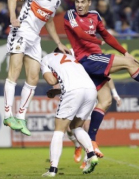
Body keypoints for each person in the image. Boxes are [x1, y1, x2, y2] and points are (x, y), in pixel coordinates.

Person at [64, 0, 139, 157]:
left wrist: (125, 52)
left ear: (89, 2)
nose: (79, 5)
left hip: (96, 59)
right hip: (87, 60)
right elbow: (80, 35)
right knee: (128, 64)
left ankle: (92, 142)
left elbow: (107, 35)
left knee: (105, 101)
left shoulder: (95, 15)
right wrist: (98, 41)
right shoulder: (70, 15)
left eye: (83, 2)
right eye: (77, 2)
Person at [2, 0, 73, 136]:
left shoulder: (56, 0)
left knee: (33, 77)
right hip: (21, 31)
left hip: (34, 38)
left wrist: (58, 42)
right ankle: (7, 115)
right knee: (15, 71)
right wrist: (12, 16)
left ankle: (20, 117)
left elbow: (48, 21)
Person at [40, 49, 99, 177]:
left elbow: (51, 81)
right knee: (76, 126)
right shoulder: (72, 58)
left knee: (59, 130)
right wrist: (58, 90)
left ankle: (53, 169)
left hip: (73, 91)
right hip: (91, 90)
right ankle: (91, 154)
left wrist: (52, 78)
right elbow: (74, 79)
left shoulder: (46, 58)